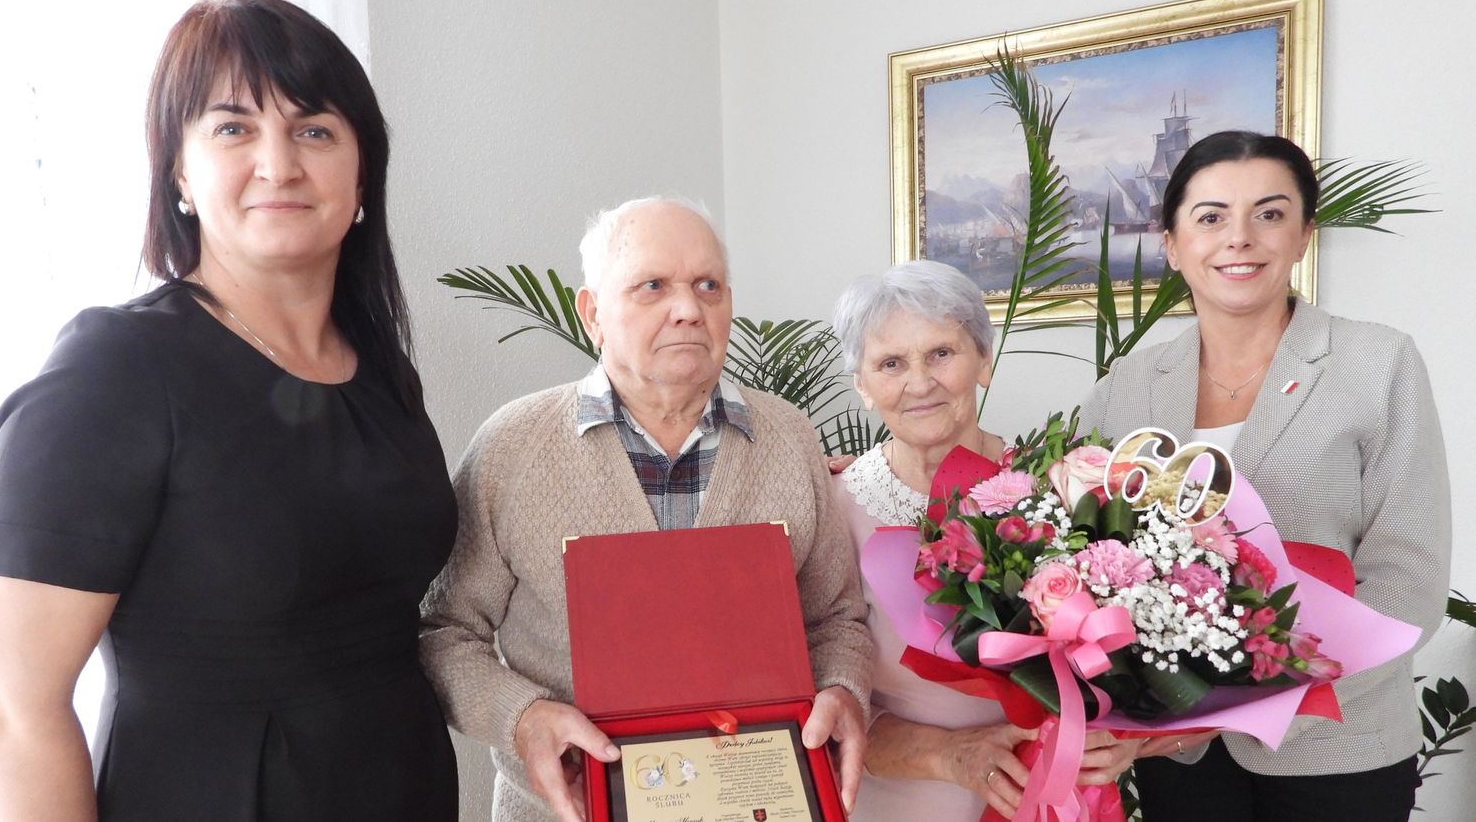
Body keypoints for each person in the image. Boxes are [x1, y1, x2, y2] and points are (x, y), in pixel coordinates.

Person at [0, 0, 459, 821]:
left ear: (362, 175)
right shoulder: (114, 368)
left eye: (314, 130)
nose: (278, 164)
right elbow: (9, 708)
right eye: (233, 128)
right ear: (180, 174)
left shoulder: (381, 372)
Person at [420, 197, 874, 822]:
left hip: (755, 801)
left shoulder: (789, 436)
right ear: (592, 313)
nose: (688, 309)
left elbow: (836, 618)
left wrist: (844, 690)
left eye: (708, 285)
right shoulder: (512, 446)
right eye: (652, 286)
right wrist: (521, 718)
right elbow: (443, 631)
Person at [1079, 131, 1450, 822]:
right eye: (1211, 216)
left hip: (1336, 748)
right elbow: (1091, 555)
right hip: (1178, 758)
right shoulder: (1126, 385)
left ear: (1304, 235)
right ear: (1172, 243)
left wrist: (1247, 707)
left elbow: (1408, 578)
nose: (1239, 238)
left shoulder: (1377, 363)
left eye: (1270, 214)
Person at [830, 260, 1140, 820]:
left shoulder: (1061, 485)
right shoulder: (831, 509)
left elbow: (1133, 654)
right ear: (863, 385)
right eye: (891, 363)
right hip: (894, 802)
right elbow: (817, 699)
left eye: (941, 354)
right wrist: (949, 755)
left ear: (983, 361)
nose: (919, 383)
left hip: (1049, 797)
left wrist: (1123, 736)